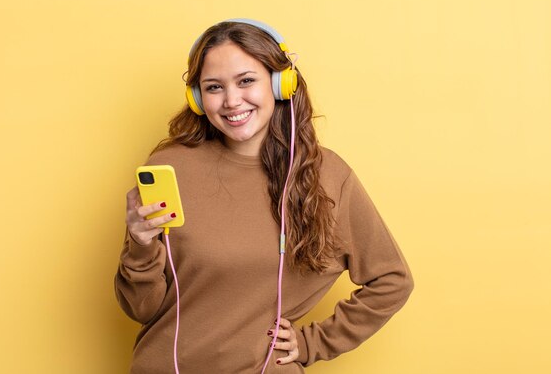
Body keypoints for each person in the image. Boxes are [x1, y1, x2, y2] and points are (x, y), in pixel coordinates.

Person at [115, 19, 414, 373]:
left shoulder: (327, 176)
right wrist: (140, 244)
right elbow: (142, 308)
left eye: (246, 81)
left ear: (280, 84)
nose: (231, 101)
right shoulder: (171, 168)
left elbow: (392, 279)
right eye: (213, 87)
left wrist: (311, 343)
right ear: (197, 99)